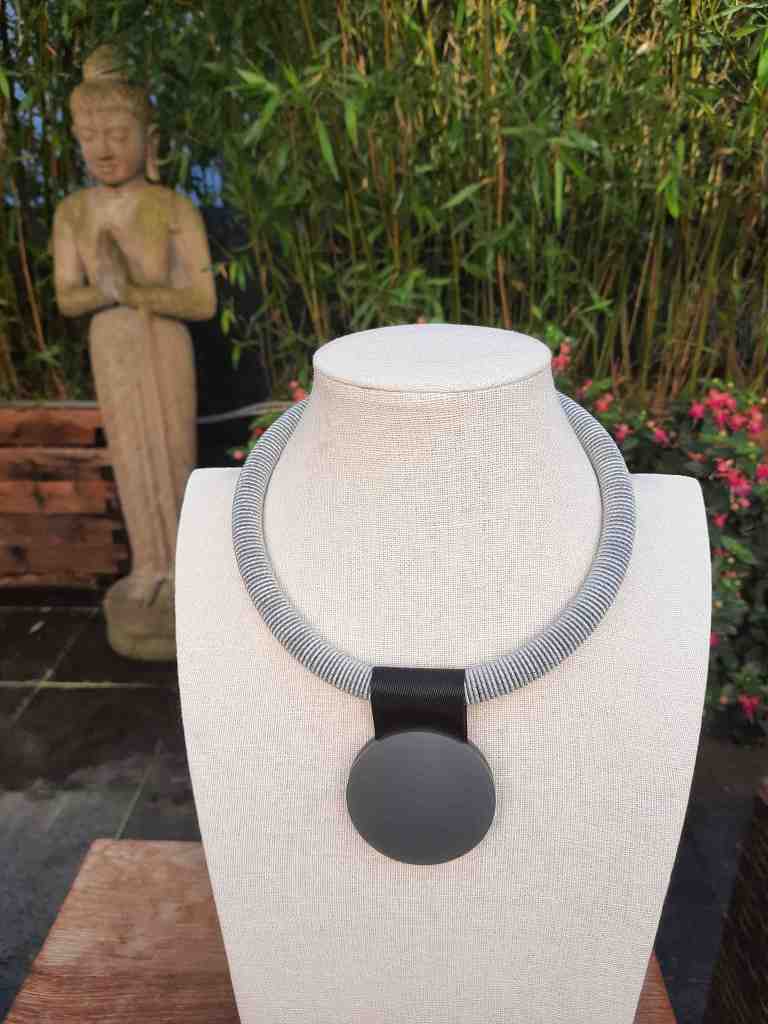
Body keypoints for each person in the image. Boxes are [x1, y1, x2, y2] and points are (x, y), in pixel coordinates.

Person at [52, 44, 216, 659]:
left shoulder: (171, 207)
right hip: (112, 346)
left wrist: (135, 291)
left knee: (173, 453)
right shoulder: (73, 212)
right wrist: (107, 290)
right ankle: (148, 565)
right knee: (131, 453)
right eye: (90, 136)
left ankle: (184, 567)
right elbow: (68, 297)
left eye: (118, 134)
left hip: (164, 343)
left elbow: (201, 300)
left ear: (149, 139)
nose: (104, 149)